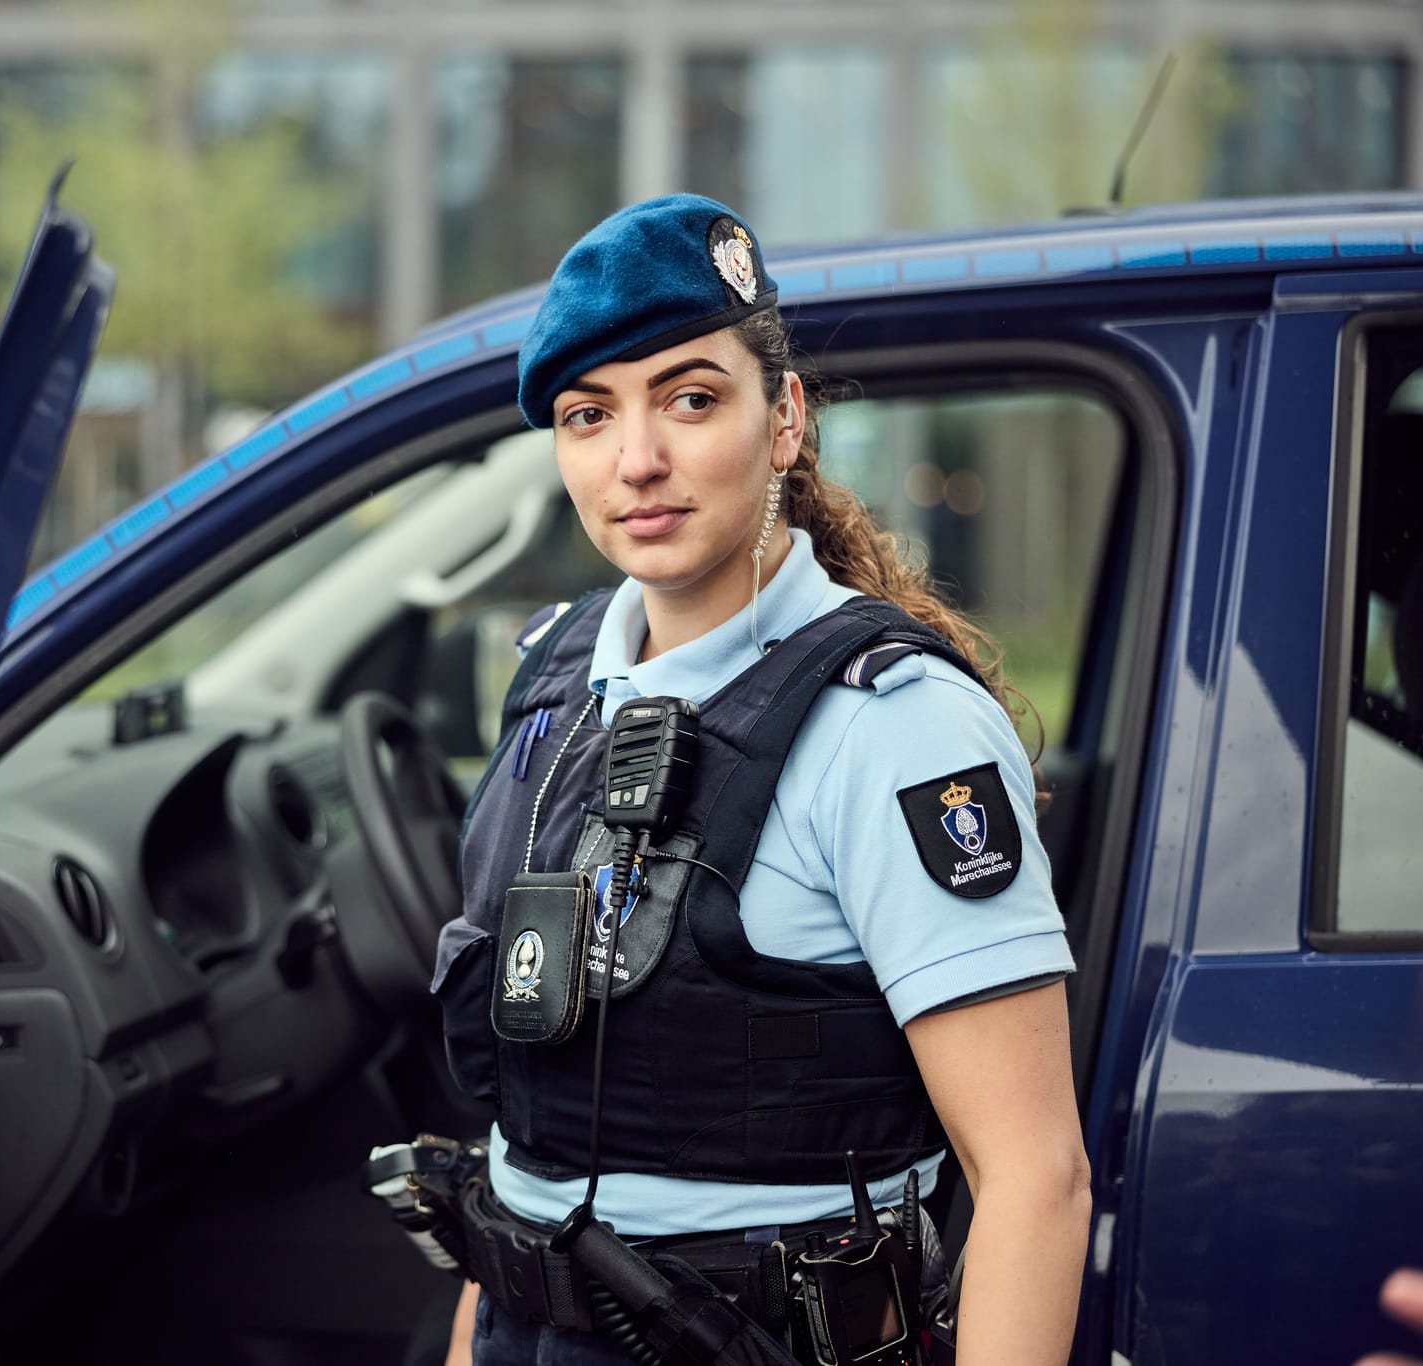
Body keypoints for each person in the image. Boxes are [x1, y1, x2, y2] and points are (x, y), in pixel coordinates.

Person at [432, 196, 1089, 1366]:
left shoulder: (893, 727)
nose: (636, 460)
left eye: (690, 398)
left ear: (783, 418)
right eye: (589, 416)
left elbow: (1034, 1178)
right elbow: (519, 1137)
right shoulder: (552, 678)